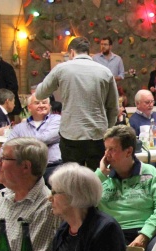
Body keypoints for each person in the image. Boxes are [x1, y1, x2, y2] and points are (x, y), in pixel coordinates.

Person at [36, 37, 119, 170]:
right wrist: (106, 130)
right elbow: (113, 107)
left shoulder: (61, 69)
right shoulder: (105, 71)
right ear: (88, 52)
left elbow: (40, 94)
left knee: (72, 177)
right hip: (97, 134)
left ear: (72, 52)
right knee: (98, 175)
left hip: (71, 134)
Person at [46, 163, 131, 251]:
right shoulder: (64, 228)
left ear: (72, 195)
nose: (49, 198)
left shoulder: (106, 230)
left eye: (54, 192)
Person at [97, 125, 156, 251]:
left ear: (128, 151)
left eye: (112, 149)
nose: (107, 155)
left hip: (146, 230)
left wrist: (145, 234)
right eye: (106, 149)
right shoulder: (101, 177)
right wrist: (101, 174)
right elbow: (81, 201)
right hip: (112, 233)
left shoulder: (149, 172)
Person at [8, 94, 62, 184]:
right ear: (29, 108)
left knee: (53, 179)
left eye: (44, 103)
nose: (41, 105)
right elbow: (7, 146)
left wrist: (19, 144)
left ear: (49, 106)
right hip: (26, 167)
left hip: (52, 166)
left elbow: (44, 139)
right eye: (37, 103)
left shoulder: (57, 120)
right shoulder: (20, 127)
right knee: (4, 176)